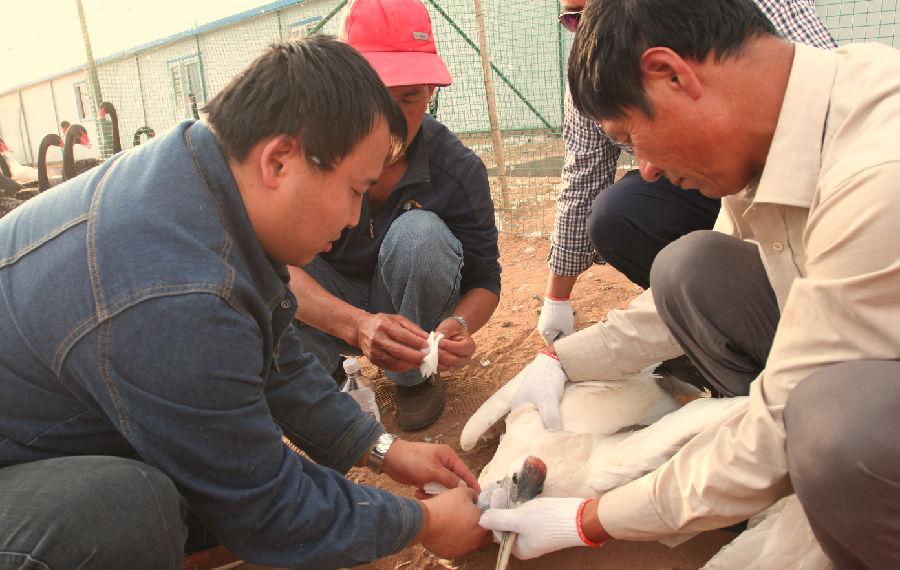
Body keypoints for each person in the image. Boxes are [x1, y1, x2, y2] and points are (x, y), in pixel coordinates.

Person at [0, 36, 489, 569]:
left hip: (47, 435)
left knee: (205, 482)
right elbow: (265, 503)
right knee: (131, 510)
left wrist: (383, 450)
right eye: (354, 190)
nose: (355, 218)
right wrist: (421, 523)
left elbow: (274, 357)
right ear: (278, 161)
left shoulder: (202, 183)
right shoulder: (177, 289)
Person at [480, 0, 899, 568]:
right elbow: (666, 308)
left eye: (631, 136)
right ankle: (780, 486)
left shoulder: (877, 172)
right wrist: (562, 359)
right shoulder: (770, 130)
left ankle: (840, 504)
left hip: (865, 399)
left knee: (838, 430)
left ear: (670, 74)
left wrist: (589, 519)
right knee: (691, 266)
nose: (645, 168)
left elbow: (779, 423)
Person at [537, 0, 836, 354]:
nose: (647, 170)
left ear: (672, 73)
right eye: (574, 20)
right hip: (741, 171)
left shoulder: (853, 163)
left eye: (594, 12)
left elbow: (823, 365)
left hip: (804, 167)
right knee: (663, 244)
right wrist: (565, 339)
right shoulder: (597, 71)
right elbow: (583, 178)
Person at [288, 0, 501, 431]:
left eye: (409, 97)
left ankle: (412, 375)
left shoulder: (458, 169)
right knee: (258, 259)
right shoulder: (304, 154)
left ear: (431, 92)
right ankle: (325, 373)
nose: (392, 118)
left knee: (421, 233)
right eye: (376, 96)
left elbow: (485, 279)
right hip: (329, 307)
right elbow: (271, 267)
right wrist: (357, 324)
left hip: (409, 318)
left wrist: (458, 323)